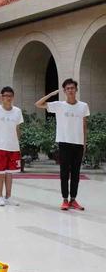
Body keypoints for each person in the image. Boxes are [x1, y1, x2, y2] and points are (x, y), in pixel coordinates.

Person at [36, 79, 89, 211]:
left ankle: (73, 200)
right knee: (64, 172)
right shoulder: (59, 105)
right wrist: (51, 94)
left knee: (76, 173)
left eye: (72, 88)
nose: (70, 90)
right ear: (64, 91)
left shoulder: (83, 106)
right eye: (68, 88)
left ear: (76, 90)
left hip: (78, 143)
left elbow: (84, 125)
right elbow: (38, 104)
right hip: (64, 142)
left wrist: (84, 143)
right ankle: (65, 199)